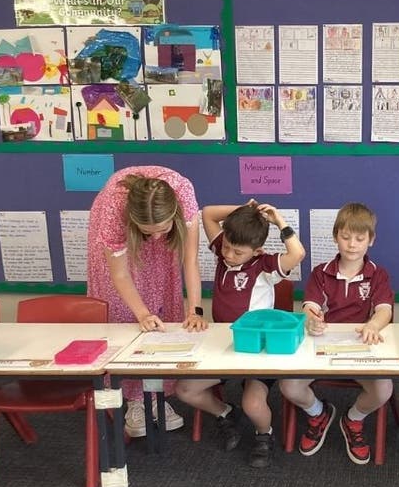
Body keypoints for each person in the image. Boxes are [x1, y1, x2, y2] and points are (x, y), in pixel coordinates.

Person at [175, 201, 305, 468]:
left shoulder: (265, 265)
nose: (228, 255)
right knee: (185, 389)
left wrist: (278, 220)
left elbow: (298, 253)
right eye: (225, 247)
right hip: (224, 346)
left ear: (256, 251)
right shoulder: (225, 249)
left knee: (253, 404)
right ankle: (225, 412)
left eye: (237, 252)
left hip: (257, 350)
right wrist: (247, 210)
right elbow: (208, 214)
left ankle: (264, 434)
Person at [87, 166, 208, 438]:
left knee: (164, 297)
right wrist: (142, 313)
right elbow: (119, 275)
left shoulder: (184, 195)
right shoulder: (113, 209)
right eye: (148, 231)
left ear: (174, 215)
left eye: (162, 229)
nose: (155, 238)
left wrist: (195, 310)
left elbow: (190, 260)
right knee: (125, 313)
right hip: (118, 235)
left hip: (159, 217)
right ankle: (134, 401)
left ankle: (155, 397)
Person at [280, 202, 394, 465]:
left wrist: (373, 325)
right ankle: (318, 413)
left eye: (359, 239)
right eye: (345, 237)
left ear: (371, 240)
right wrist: (312, 320)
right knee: (288, 386)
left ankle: (352, 419)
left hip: (360, 349)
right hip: (322, 349)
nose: (352, 245)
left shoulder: (378, 275)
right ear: (335, 237)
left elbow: (384, 311)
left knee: (383, 390)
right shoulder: (321, 273)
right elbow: (309, 307)